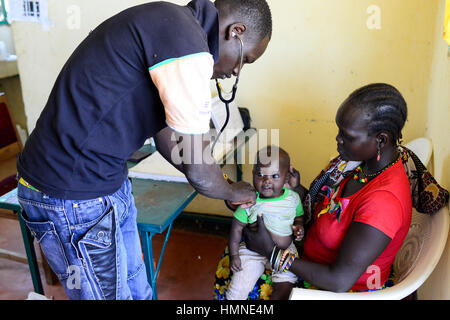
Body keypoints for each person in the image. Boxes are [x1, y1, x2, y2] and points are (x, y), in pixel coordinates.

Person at [16, 0, 272, 300]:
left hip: (105, 184)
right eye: (246, 59)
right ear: (235, 32)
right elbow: (199, 169)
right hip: (71, 193)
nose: (236, 71)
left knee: (139, 288)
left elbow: (168, 138)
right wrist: (230, 191)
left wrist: (222, 185)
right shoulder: (187, 44)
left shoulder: (173, 28)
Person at [215, 83, 415, 299]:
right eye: (339, 130)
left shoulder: (384, 202)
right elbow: (330, 210)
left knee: (237, 279)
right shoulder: (362, 165)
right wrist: (295, 190)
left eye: (347, 136)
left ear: (381, 140)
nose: (338, 139)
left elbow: (339, 280)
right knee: (239, 254)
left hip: (338, 289)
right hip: (306, 254)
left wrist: (270, 252)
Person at [226, 146, 304, 300]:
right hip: (252, 252)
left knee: (287, 281)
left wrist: (299, 228)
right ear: (253, 174)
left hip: (285, 250)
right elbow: (236, 229)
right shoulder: (249, 200)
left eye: (275, 176)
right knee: (238, 289)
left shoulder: (293, 198)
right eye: (260, 174)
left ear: (286, 177)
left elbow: (299, 217)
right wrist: (234, 255)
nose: (267, 181)